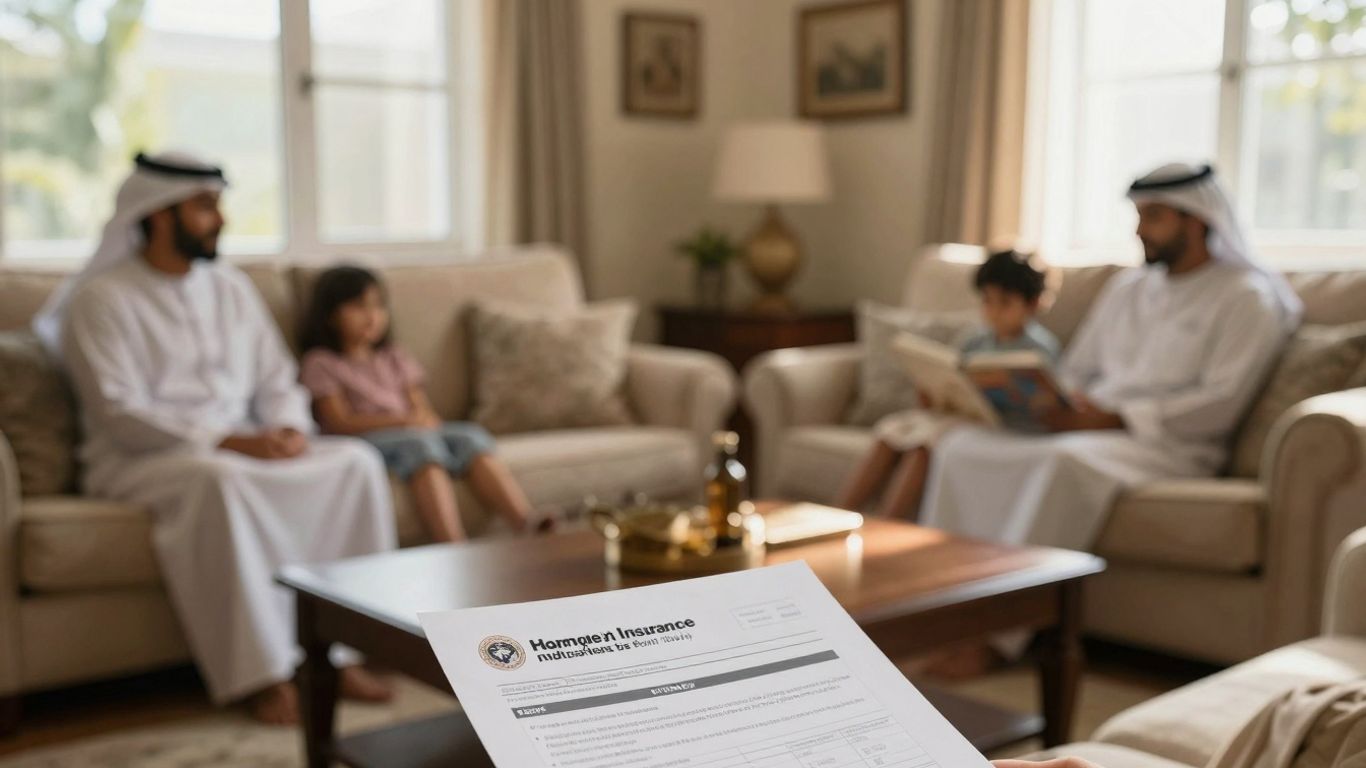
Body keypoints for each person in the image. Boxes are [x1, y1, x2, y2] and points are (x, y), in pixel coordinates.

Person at [34, 151, 397, 726]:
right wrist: (227, 441)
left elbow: (277, 376)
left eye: (218, 205)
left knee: (353, 462)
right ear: (157, 214)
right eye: (204, 208)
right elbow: (118, 412)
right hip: (144, 457)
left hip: (244, 445)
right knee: (220, 480)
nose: (220, 219)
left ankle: (337, 653)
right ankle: (264, 676)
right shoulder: (101, 299)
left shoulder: (230, 288)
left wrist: (287, 429)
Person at [920, 162, 1300, 557]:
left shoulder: (1246, 298)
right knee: (961, 444)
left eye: (1153, 218)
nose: (1139, 231)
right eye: (1138, 216)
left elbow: (1222, 403)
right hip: (1093, 427)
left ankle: (1009, 604)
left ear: (1197, 221)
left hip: (1169, 445)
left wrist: (1117, 417)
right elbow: (1076, 370)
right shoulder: (1128, 287)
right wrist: (1056, 401)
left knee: (1061, 462)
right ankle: (941, 581)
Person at [298, 265, 548, 541]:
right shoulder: (321, 363)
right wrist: (403, 422)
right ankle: (452, 541)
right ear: (330, 315)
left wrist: (423, 420)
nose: (372, 316)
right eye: (358, 307)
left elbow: (420, 406)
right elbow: (339, 422)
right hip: (365, 439)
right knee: (422, 446)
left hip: (410, 429)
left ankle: (525, 521)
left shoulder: (393, 356)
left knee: (468, 436)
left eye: (378, 306)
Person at [839, 250, 1060, 519]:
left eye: (1005, 303)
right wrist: (932, 392)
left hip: (995, 426)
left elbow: (1045, 400)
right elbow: (952, 372)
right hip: (954, 415)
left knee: (923, 446)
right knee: (889, 431)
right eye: (987, 301)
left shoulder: (1039, 350)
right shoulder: (975, 340)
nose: (993, 311)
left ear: (1033, 304)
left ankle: (886, 524)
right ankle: (839, 516)